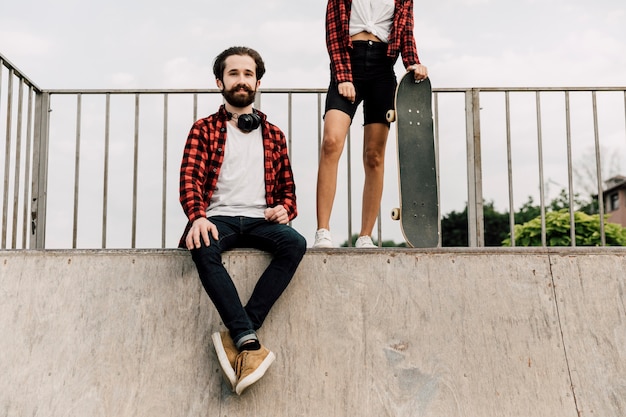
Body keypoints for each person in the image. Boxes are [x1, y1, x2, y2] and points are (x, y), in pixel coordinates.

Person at [179, 46, 306, 395]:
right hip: (217, 217)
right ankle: (248, 340)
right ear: (220, 82)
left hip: (260, 220)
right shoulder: (204, 130)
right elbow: (189, 179)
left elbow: (289, 193)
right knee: (201, 242)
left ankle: (240, 332)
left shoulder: (274, 135)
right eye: (233, 73)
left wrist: (284, 210)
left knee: (295, 243)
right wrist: (197, 217)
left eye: (248, 74)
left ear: (258, 82)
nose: (241, 80)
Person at [313, 0, 428, 248]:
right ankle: (323, 230)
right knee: (331, 142)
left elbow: (406, 33)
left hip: (382, 71)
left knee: (374, 156)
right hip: (348, 63)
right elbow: (333, 32)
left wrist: (413, 62)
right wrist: (343, 76)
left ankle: (365, 236)